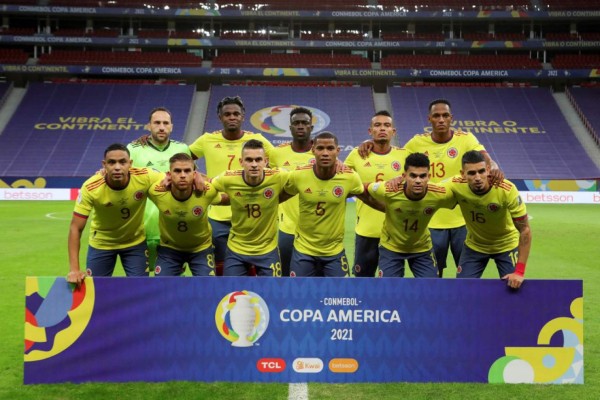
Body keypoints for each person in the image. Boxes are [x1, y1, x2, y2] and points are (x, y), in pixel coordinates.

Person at [362, 99, 504, 277]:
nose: (441, 119)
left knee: (467, 273)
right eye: (436, 116)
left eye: (445, 115)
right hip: (431, 219)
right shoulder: (417, 143)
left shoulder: (466, 139)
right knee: (436, 274)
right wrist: (370, 144)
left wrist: (495, 167)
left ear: (451, 118)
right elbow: (397, 156)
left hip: (462, 218)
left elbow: (485, 159)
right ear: (429, 119)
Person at [188, 96, 274, 275]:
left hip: (251, 215)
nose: (232, 117)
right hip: (218, 216)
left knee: (252, 266)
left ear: (243, 116)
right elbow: (182, 159)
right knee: (222, 266)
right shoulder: (207, 140)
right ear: (220, 117)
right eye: (227, 114)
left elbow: (278, 162)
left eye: (236, 113)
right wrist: (197, 175)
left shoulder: (257, 140)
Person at [282, 132, 383, 277]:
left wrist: (390, 210)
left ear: (338, 151)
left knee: (340, 297)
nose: (325, 153)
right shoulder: (298, 176)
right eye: (320, 148)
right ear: (313, 150)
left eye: (330, 148)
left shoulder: (349, 177)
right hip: (304, 250)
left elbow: (367, 198)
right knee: (299, 296)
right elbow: (279, 197)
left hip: (334, 252)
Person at [67, 143, 162, 285]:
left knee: (141, 289)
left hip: (135, 243)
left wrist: (199, 177)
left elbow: (176, 178)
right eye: (112, 162)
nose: (117, 167)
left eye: (122, 162)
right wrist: (74, 269)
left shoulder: (145, 177)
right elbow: (75, 228)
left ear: (130, 163)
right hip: (102, 244)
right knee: (96, 292)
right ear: (104, 165)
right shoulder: (91, 187)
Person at [448, 150, 531, 289]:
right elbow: (431, 190)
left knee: (514, 289)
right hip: (475, 246)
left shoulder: (506, 189)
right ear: (463, 174)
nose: (478, 177)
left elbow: (525, 230)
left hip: (506, 246)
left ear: (488, 169)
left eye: (481, 171)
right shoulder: (456, 185)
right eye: (472, 173)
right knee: (461, 290)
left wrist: (519, 272)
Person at [367, 153, 456, 278]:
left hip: (422, 248)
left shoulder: (439, 194)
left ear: (429, 176)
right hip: (391, 247)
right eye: (413, 176)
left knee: (430, 289)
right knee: (388, 291)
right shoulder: (389, 190)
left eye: (422, 176)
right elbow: (363, 189)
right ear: (404, 176)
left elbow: (460, 189)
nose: (418, 181)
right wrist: (383, 207)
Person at [211, 140, 287, 277]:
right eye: (249, 160)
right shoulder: (227, 178)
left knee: (273, 295)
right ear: (241, 162)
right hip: (237, 250)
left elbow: (303, 177)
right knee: (231, 294)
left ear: (266, 161)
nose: (254, 165)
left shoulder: (279, 176)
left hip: (267, 250)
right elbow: (207, 188)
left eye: (258, 160)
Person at [345, 110, 408, 277]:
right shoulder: (356, 155)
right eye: (377, 125)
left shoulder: (404, 156)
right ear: (370, 131)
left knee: (391, 284)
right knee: (362, 282)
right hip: (366, 231)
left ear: (393, 131)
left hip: (394, 233)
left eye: (387, 125)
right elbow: (343, 183)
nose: (382, 128)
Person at [128, 107, 190, 273]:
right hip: (141, 229)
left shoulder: (183, 149)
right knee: (140, 284)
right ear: (149, 126)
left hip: (173, 230)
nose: (161, 127)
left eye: (165, 123)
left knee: (172, 284)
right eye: (157, 123)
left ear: (172, 126)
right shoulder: (133, 149)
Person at [148, 153, 223, 277]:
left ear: (194, 174)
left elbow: (226, 199)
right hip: (169, 248)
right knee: (162, 288)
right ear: (169, 174)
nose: (182, 175)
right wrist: (103, 173)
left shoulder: (207, 191)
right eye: (177, 171)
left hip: (201, 248)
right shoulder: (156, 192)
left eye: (187, 171)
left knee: (207, 288)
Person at [268, 106, 315, 276]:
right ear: (290, 127)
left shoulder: (322, 152)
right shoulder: (277, 153)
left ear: (312, 127)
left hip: (315, 230)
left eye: (305, 123)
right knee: (285, 276)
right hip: (286, 228)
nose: (301, 126)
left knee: (314, 279)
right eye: (296, 123)